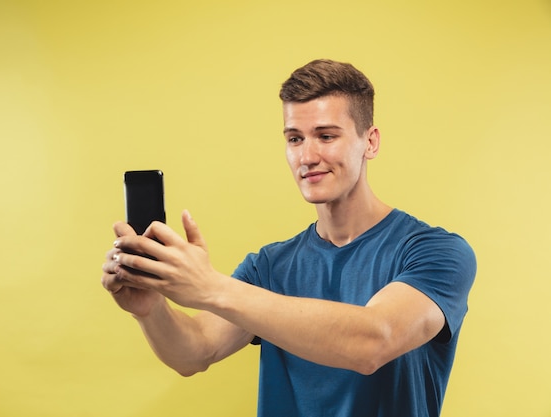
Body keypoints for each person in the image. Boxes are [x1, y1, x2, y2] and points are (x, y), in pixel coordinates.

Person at [101, 59, 476, 417]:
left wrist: (210, 287)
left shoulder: (437, 252)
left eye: (326, 136)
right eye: (295, 138)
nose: (307, 156)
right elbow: (195, 351)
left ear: (370, 142)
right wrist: (150, 310)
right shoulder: (269, 266)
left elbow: (372, 341)